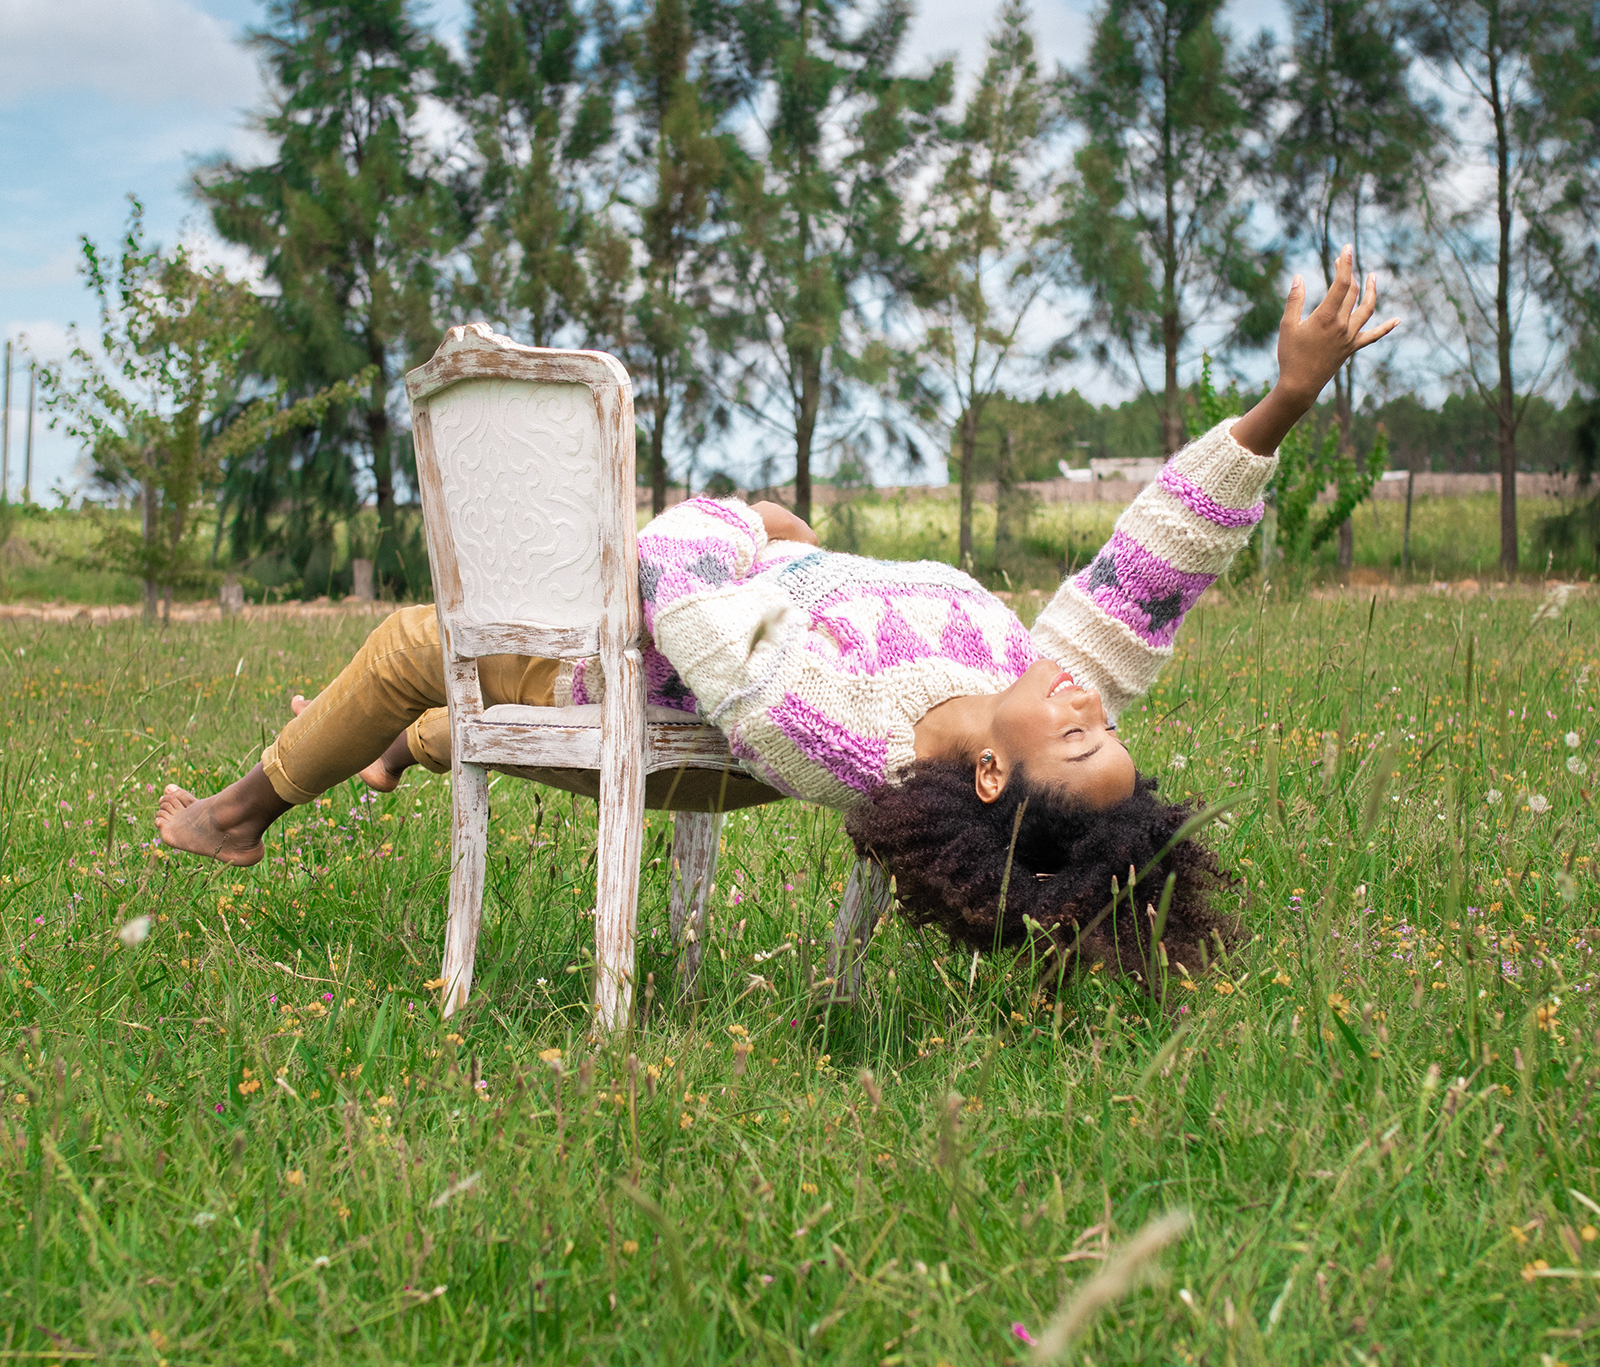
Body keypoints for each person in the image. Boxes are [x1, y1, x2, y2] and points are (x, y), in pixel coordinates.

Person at [158, 252, 1393, 975]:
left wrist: (743, 522)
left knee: (425, 644)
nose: (1086, 699)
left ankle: (236, 816)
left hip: (630, 684)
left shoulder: (833, 725)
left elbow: (681, 594)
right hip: (708, 630)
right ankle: (392, 749)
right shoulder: (1034, 678)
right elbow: (1158, 564)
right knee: (448, 706)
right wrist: (1283, 402)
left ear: (987, 781)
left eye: (1079, 736)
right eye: (1098, 719)